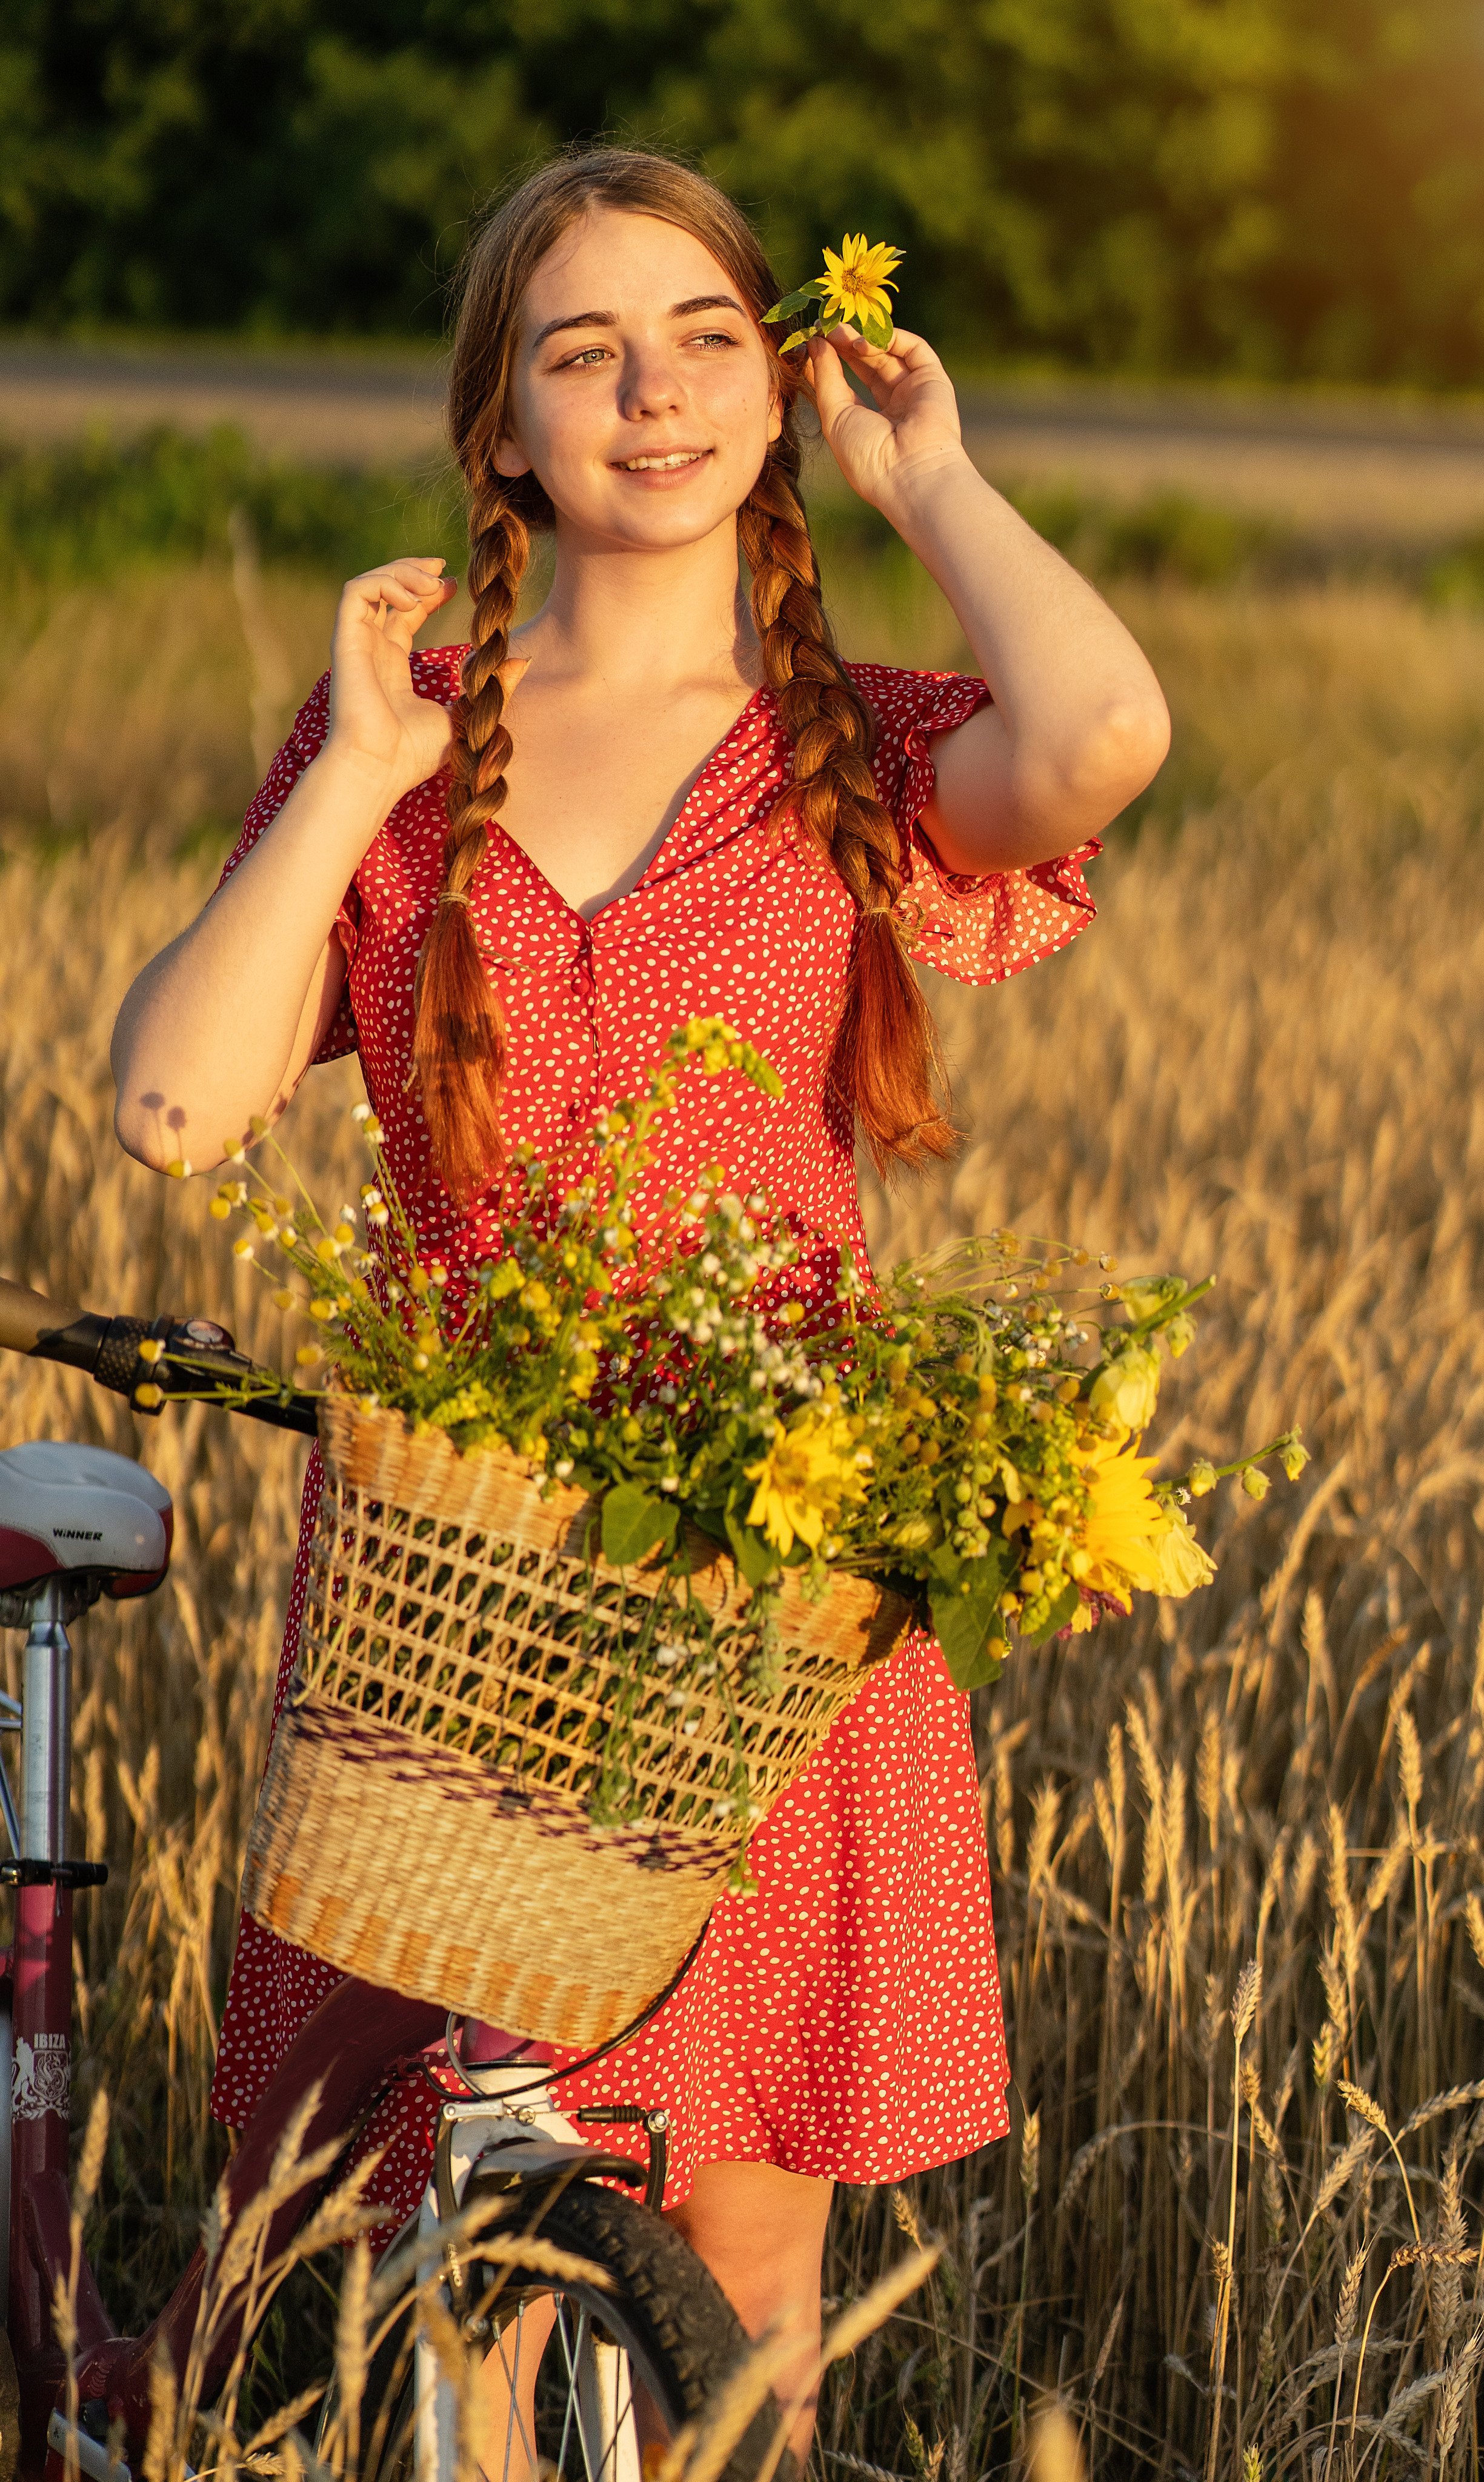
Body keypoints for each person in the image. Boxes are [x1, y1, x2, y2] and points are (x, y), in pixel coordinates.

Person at [111, 148, 1169, 2458]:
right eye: (581, 354)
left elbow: (1099, 738)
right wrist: (356, 777)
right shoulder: (408, 737)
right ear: (499, 429)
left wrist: (932, 477)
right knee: (461, 2257)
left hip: (766, 1592)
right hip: (458, 1592)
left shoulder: (851, 743)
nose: (654, 395)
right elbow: (172, 1106)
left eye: (704, 342)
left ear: (774, 399)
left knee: (748, 2271)